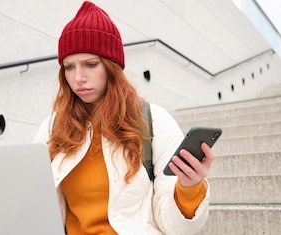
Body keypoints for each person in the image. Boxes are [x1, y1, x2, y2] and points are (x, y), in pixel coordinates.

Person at [33, 1, 213, 234]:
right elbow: (36, 203)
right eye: (68, 67)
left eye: (90, 64)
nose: (78, 77)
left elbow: (174, 227)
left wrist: (189, 187)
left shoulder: (154, 121)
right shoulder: (53, 127)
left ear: (112, 66)